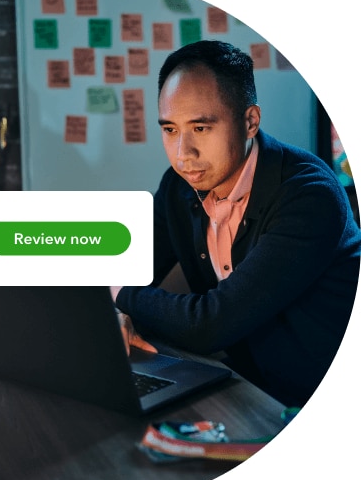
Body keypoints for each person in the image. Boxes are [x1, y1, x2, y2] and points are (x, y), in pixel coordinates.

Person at [114, 40, 361, 408]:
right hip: (245, 386)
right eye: (170, 130)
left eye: (200, 129)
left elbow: (211, 325)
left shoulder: (310, 195)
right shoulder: (178, 187)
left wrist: (118, 293)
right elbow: (125, 264)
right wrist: (117, 315)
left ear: (249, 121)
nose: (183, 154)